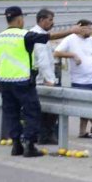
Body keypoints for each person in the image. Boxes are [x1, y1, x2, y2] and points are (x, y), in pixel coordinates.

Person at [0, 6, 83, 157]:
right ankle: (30, 146)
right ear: (20, 19)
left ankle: (16, 145)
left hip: (5, 83)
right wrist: (71, 31)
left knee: (12, 113)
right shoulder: (25, 35)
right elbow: (49, 37)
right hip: (23, 82)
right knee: (32, 113)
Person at [53, 19, 92, 138]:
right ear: (80, 27)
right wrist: (73, 55)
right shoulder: (70, 39)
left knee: (88, 104)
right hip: (79, 79)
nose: (90, 31)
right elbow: (57, 52)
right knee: (83, 105)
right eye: (88, 28)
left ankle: (82, 131)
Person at [31, 8, 60, 144]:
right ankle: (44, 135)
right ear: (42, 20)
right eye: (50, 20)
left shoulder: (39, 33)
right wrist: (50, 80)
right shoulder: (38, 36)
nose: (52, 23)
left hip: (41, 78)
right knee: (48, 110)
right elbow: (43, 61)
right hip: (41, 80)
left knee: (46, 110)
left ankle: (44, 135)